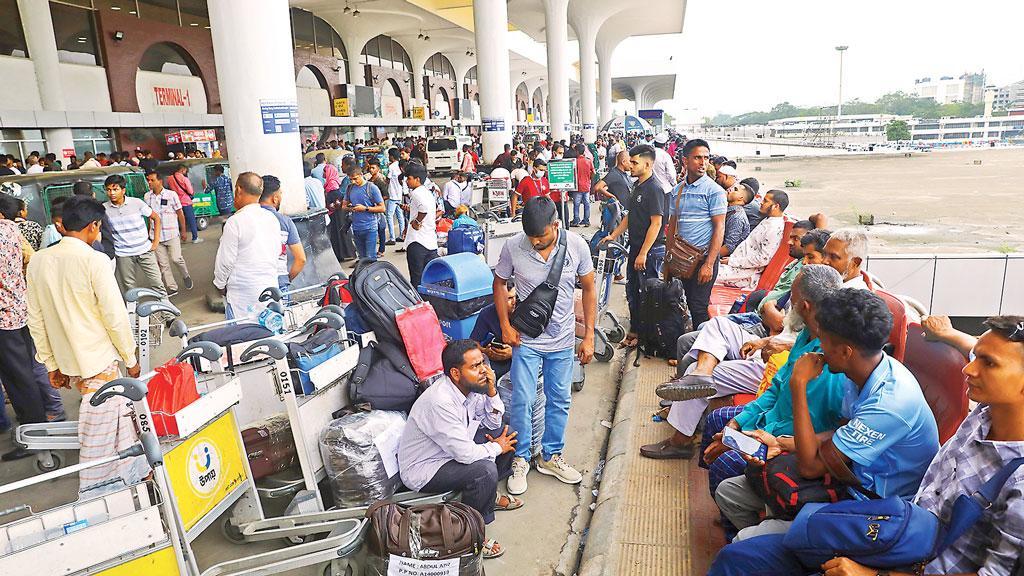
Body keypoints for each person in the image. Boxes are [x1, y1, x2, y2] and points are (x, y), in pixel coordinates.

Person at [711, 315, 1024, 576]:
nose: (969, 369)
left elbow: (994, 573)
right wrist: (951, 334)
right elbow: (840, 434)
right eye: (976, 357)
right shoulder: (985, 413)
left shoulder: (1018, 480)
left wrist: (873, 574)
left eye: (989, 363)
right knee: (738, 558)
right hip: (894, 529)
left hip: (912, 562)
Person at [714, 288, 939, 541]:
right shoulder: (860, 373)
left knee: (744, 541)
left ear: (845, 352)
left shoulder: (890, 402)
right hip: (846, 476)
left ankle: (772, 546)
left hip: (872, 503)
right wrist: (781, 442)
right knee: (729, 493)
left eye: (824, 342)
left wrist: (798, 384)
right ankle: (782, 548)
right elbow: (839, 431)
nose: (817, 348)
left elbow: (810, 468)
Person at [26, 195, 148, 491]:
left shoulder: (38, 260)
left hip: (68, 361)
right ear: (94, 227)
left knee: (109, 421)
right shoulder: (94, 260)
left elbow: (36, 319)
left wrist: (51, 364)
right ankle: (102, 486)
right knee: (105, 429)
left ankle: (128, 476)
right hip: (99, 361)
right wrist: (130, 359)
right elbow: (114, 316)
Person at [698, 265, 847, 501]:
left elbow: (809, 423)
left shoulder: (831, 359)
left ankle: (735, 518)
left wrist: (751, 436)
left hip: (787, 439)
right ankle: (722, 501)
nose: (789, 305)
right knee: (719, 420)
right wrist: (738, 424)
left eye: (793, 299)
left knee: (726, 463)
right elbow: (776, 387)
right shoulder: (805, 336)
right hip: (771, 422)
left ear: (805, 306)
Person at [493, 197, 596, 495]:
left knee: (560, 400)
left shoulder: (576, 246)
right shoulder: (514, 246)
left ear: (556, 225)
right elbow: (499, 283)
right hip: (527, 340)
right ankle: (522, 459)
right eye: (532, 239)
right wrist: (505, 326)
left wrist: (588, 336)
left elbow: (589, 289)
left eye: (542, 238)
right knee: (523, 400)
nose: (536, 243)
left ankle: (551, 456)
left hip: (563, 341)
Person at [398, 339, 520, 559]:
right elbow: (465, 455)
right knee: (484, 470)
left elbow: (492, 424)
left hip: (451, 449)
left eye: (483, 362)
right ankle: (472, 536)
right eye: (475, 366)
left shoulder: (472, 387)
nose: (484, 369)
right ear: (455, 373)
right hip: (426, 467)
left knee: (507, 431)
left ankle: (487, 496)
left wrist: (491, 390)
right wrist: (495, 447)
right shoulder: (440, 401)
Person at [600, 144, 667, 348]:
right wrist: (613, 235)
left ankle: (645, 337)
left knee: (647, 294)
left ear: (648, 164)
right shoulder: (637, 186)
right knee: (633, 290)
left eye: (634, 162)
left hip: (649, 252)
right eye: (630, 161)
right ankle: (635, 331)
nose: (630, 165)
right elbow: (630, 217)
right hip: (635, 248)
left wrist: (644, 253)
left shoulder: (655, 189)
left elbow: (656, 223)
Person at [666, 139, 727, 328]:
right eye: (697, 158)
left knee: (699, 306)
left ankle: (703, 349)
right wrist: (667, 262)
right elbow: (672, 227)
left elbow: (719, 228)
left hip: (704, 259)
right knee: (685, 302)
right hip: (683, 259)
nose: (703, 163)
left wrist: (709, 264)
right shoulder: (677, 191)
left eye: (706, 158)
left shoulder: (714, 191)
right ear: (685, 161)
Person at [213, 172, 281, 319]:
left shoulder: (234, 222)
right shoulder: (271, 218)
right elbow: (277, 252)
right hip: (269, 287)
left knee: (241, 338)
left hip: (242, 296)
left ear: (238, 190)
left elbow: (225, 262)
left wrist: (219, 284)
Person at [103, 174, 165, 296]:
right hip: (123, 254)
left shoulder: (136, 203)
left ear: (123, 190)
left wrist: (155, 241)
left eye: (115, 189)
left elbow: (156, 218)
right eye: (109, 190)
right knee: (130, 289)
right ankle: (133, 314)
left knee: (157, 283)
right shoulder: (104, 209)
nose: (112, 193)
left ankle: (167, 313)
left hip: (145, 250)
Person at [715, 190, 790, 289]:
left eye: (766, 201)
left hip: (744, 274)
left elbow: (763, 259)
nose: (761, 203)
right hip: (736, 265)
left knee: (706, 275)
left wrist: (733, 261)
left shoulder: (774, 228)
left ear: (776, 206)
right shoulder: (768, 220)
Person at [144, 170, 192, 297]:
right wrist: (149, 234)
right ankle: (172, 287)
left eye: (152, 180)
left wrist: (183, 231)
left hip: (171, 234)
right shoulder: (147, 197)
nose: (149, 182)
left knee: (176, 258)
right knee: (163, 264)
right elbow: (150, 217)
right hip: (156, 236)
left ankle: (185, 275)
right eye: (148, 180)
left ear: (160, 181)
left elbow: (180, 213)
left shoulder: (172, 195)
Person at [260, 175, 306, 292]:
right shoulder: (285, 221)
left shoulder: (244, 219)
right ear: (275, 198)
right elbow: (301, 259)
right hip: (279, 283)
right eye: (280, 194)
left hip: (254, 283)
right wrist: (286, 279)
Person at [403, 163, 439, 289]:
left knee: (417, 279)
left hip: (418, 241)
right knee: (430, 279)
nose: (407, 181)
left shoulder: (416, 193)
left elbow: (423, 209)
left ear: (417, 179)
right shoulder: (427, 192)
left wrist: (417, 222)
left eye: (409, 178)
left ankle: (420, 304)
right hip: (430, 241)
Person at [470, 280, 516, 378]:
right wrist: (485, 352)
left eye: (515, 297)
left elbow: (540, 342)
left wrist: (514, 353)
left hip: (525, 353)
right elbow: (473, 342)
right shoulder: (487, 313)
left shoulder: (525, 310)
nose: (514, 302)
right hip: (500, 355)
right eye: (509, 299)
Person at [343, 165, 385, 261]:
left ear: (361, 175)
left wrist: (365, 208)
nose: (353, 182)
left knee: (370, 258)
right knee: (362, 259)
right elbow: (344, 206)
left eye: (355, 179)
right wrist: (351, 208)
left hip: (370, 228)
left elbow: (382, 208)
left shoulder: (372, 188)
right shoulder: (350, 188)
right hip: (356, 228)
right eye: (351, 179)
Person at [72, 181, 116, 260]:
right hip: (103, 254)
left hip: (83, 256)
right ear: (93, 194)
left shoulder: (71, 212)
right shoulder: (98, 210)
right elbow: (107, 233)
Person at [166, 164, 201, 243]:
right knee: (191, 220)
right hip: (186, 202)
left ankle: (177, 238)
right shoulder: (184, 179)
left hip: (175, 202)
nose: (185, 172)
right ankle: (195, 238)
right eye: (185, 171)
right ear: (182, 170)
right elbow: (190, 191)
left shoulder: (170, 178)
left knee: (177, 220)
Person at [720, 183, 754, 257]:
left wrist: (706, 260)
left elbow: (728, 247)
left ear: (740, 198)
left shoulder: (737, 217)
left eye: (735, 190)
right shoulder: (729, 210)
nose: (730, 190)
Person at [570, 144, 595, 227]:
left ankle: (576, 220)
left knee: (576, 204)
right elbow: (594, 172)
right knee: (586, 204)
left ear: (577, 151)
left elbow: (572, 174)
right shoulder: (588, 160)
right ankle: (586, 221)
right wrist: (589, 178)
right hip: (587, 186)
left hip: (578, 186)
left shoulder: (575, 162)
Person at [385, 148, 406, 244]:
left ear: (391, 156)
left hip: (393, 194)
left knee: (389, 216)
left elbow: (387, 179)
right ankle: (402, 235)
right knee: (400, 215)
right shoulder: (400, 165)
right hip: (399, 194)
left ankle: (392, 238)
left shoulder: (391, 167)